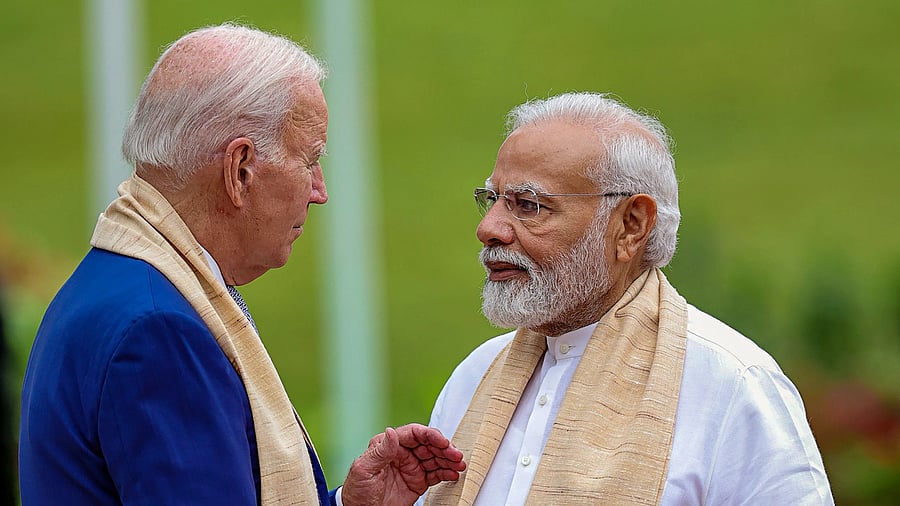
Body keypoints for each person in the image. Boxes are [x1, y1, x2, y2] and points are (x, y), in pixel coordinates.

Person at [19, 23, 464, 506]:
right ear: (240, 169)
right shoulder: (159, 329)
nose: (320, 191)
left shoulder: (116, 282)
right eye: (309, 159)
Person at [422, 92, 833, 505]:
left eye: (529, 205)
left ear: (631, 225)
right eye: (491, 200)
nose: (490, 228)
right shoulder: (476, 376)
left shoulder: (730, 385)